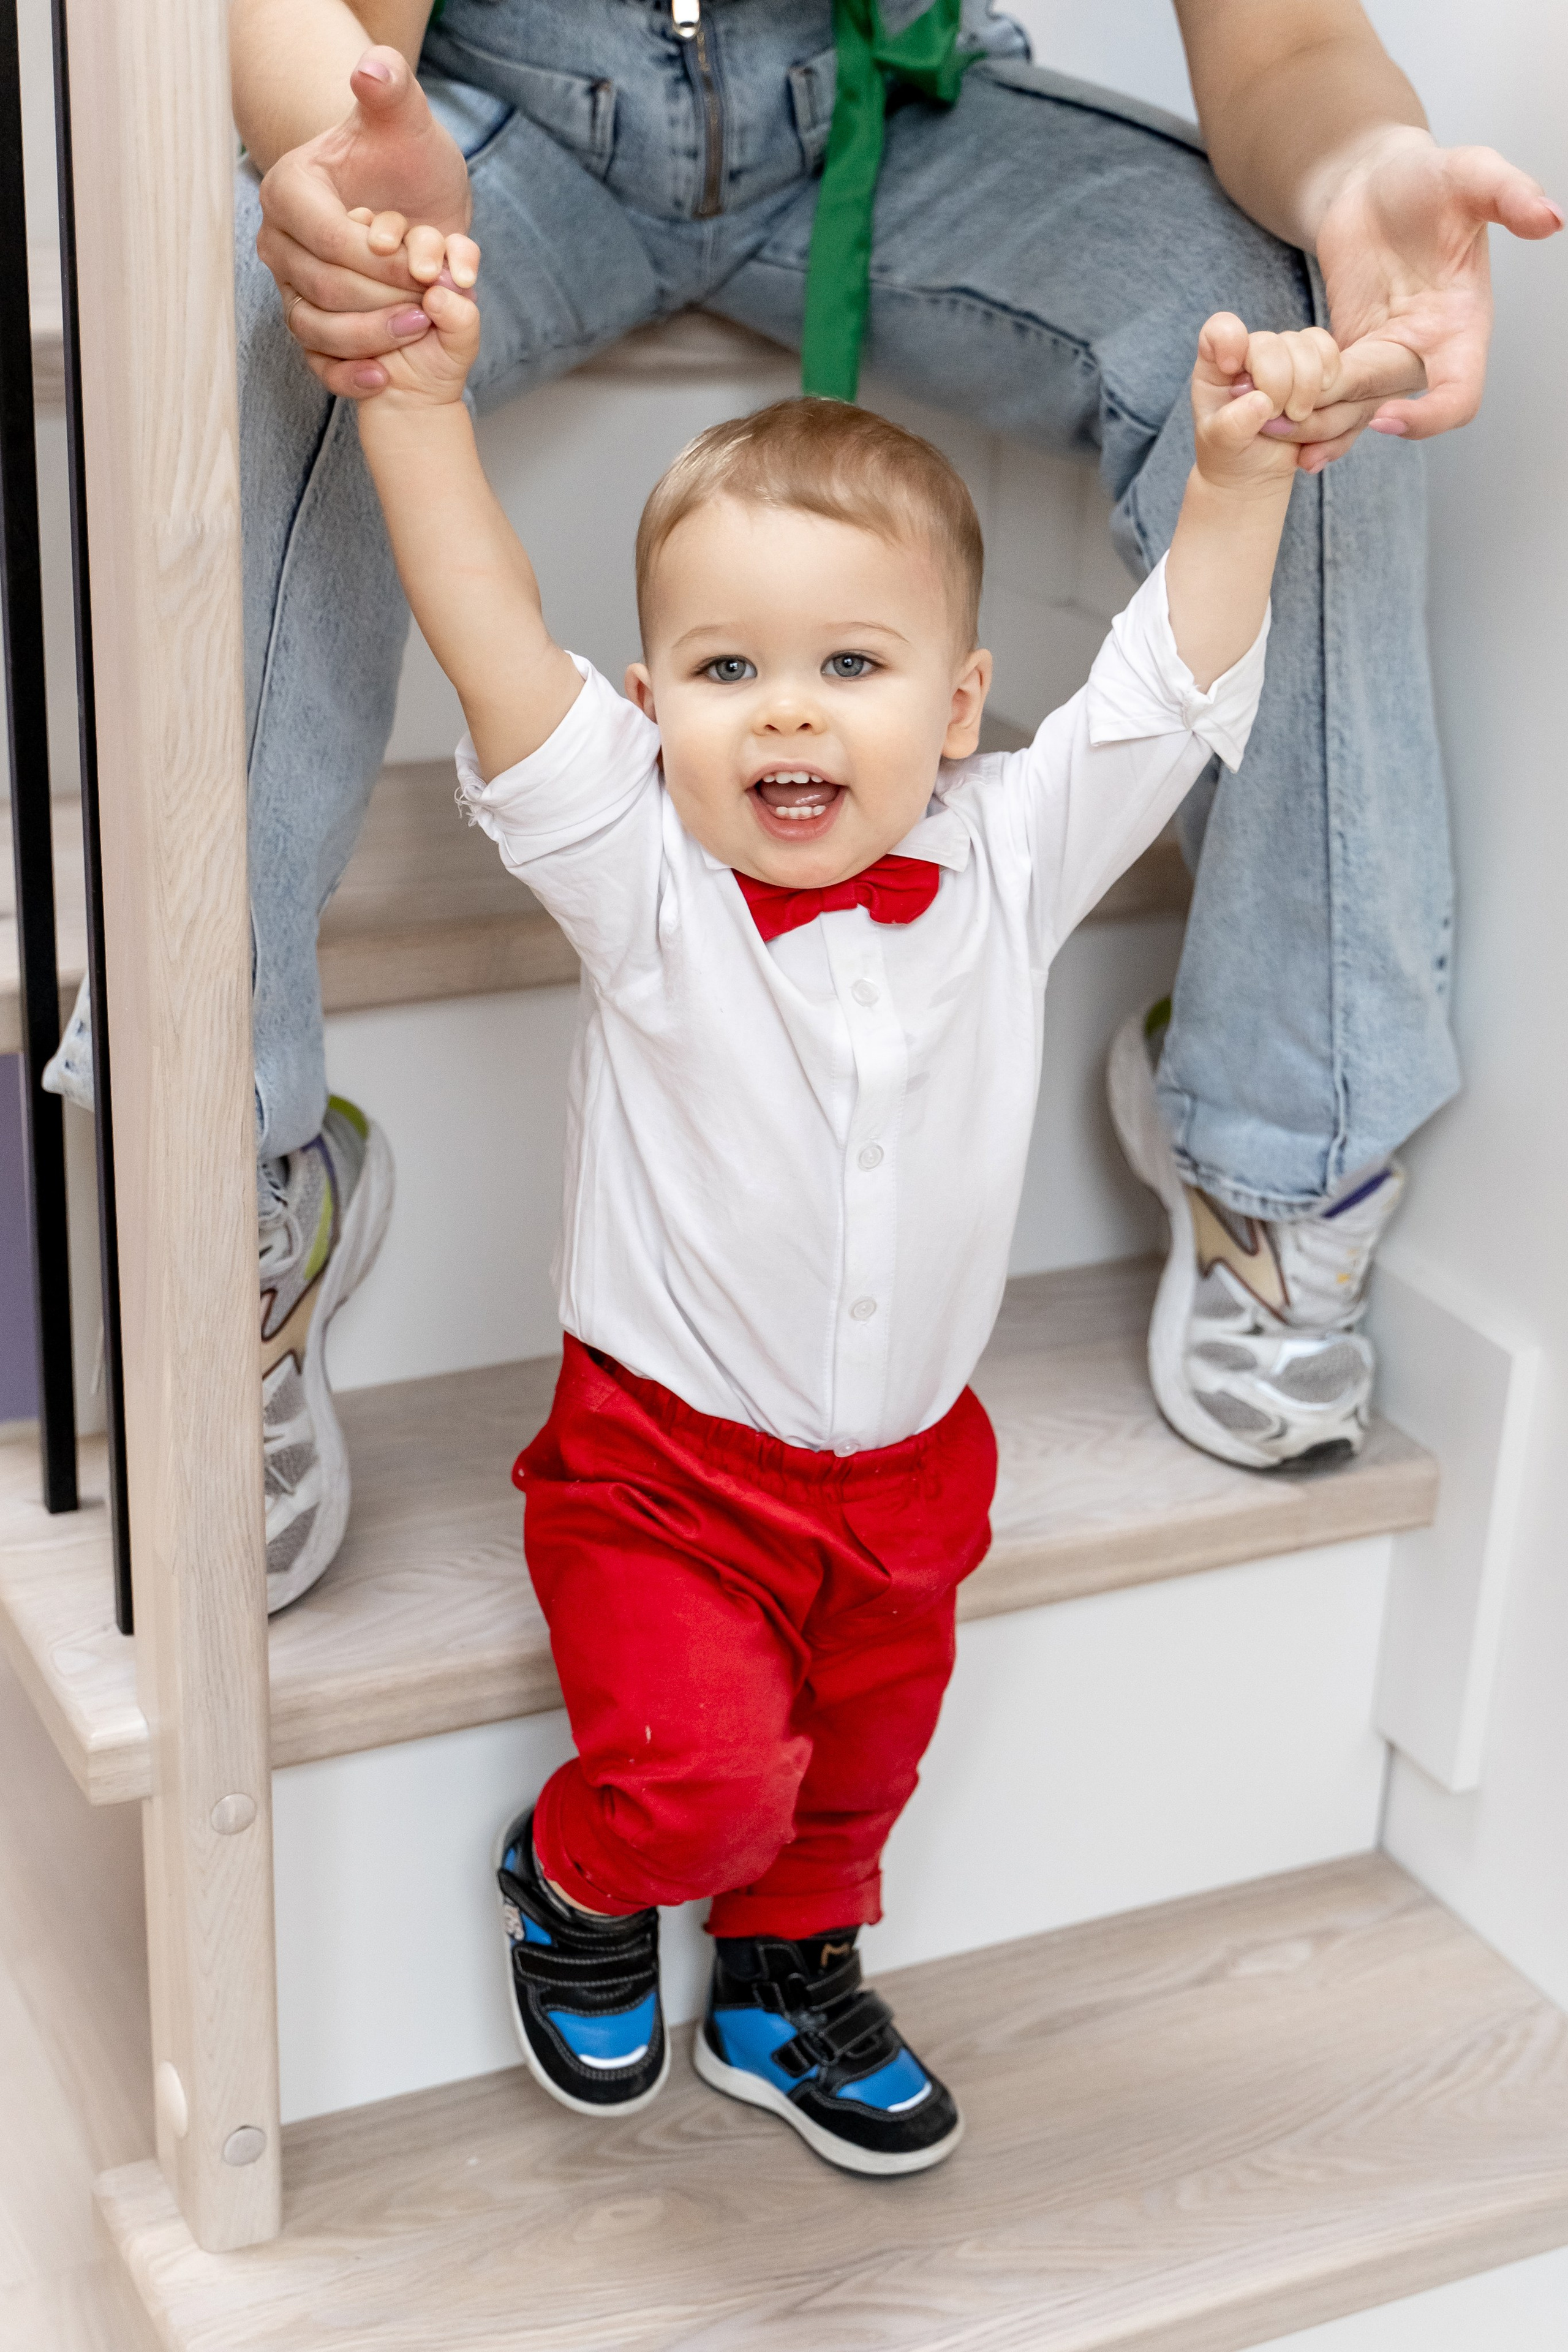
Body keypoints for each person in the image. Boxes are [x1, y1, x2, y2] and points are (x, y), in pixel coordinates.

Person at [86, 0, 1548, 1608]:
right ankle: (223, 1190)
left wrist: (1359, 170)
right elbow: (342, 40)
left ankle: (1279, 1159)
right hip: (501, 135)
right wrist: (346, 171)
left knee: (1298, 338)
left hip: (893, 123)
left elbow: (1284, 51)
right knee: (271, 303)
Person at [347, 184, 1324, 2162]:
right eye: (722, 672)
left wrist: (1236, 480)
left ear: (958, 713)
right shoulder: (642, 888)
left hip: (907, 1476)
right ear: (651, 719)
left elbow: (1159, 687)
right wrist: (413, 406)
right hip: (669, 1473)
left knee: (851, 1780)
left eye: (852, 664)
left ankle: (785, 1987)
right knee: (698, 1775)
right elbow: (493, 640)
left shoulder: (1008, 860)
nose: (786, 707)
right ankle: (578, 1878)